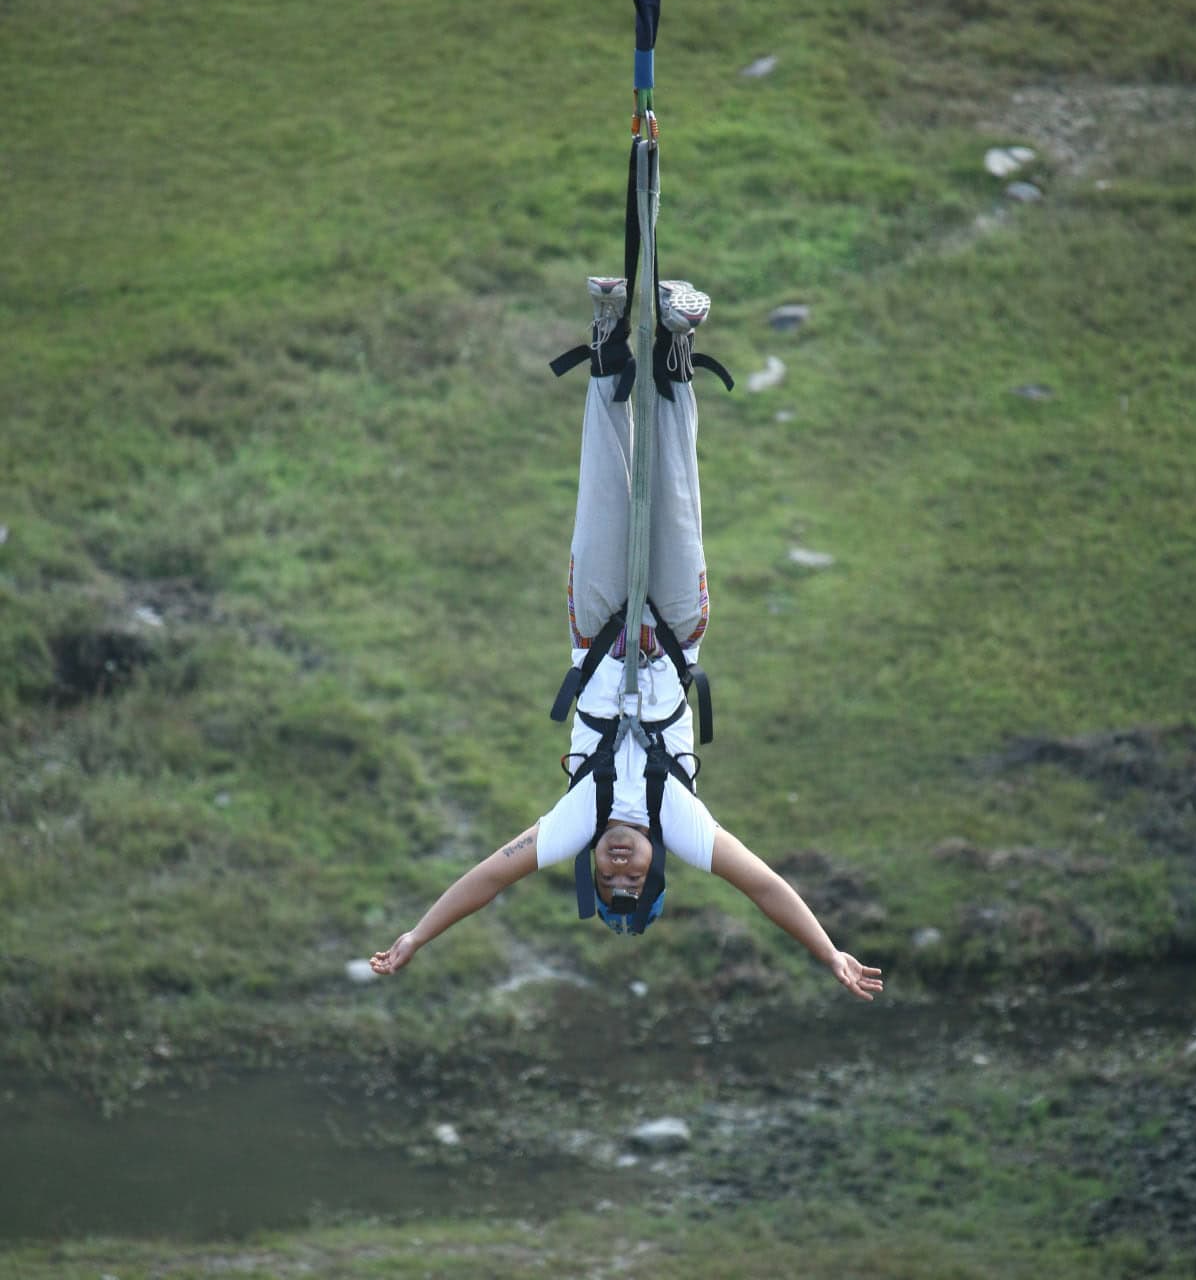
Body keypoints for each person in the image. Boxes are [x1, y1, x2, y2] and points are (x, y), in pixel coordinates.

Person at [372, 278, 882, 1002]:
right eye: (630, 877)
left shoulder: (577, 819)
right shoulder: (680, 823)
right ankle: (675, 347)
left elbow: (489, 878)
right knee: (674, 496)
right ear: (654, 866)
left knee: (603, 492)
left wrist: (418, 935)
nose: (617, 865)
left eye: (608, 877)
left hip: (598, 627)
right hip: (675, 628)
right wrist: (828, 951)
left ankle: (610, 344)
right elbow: (764, 886)